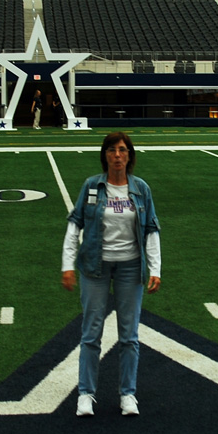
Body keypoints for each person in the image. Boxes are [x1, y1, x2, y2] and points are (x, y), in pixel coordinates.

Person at [61, 132, 161, 418]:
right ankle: (85, 393)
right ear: (104, 155)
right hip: (95, 266)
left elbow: (151, 230)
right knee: (91, 333)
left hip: (130, 267)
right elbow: (74, 225)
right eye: (112, 150)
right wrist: (68, 265)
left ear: (129, 155)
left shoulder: (141, 189)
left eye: (122, 150)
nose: (117, 155)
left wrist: (155, 269)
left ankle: (128, 394)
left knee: (129, 336)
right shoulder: (92, 186)